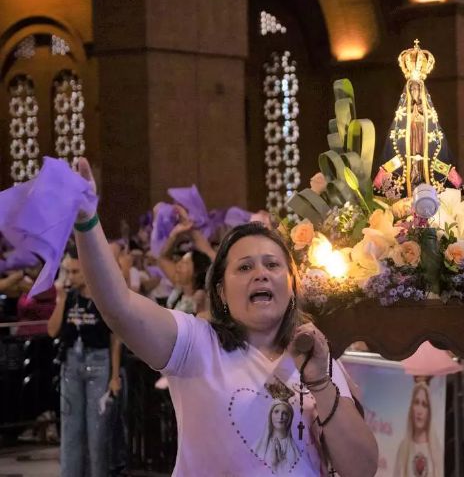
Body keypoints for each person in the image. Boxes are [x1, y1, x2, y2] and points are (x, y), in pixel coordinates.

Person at [70, 158, 377, 476]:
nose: (261, 274)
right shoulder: (196, 345)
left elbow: (362, 469)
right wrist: (87, 221)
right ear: (220, 291)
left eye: (272, 265)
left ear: (292, 284)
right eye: (245, 267)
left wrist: (320, 382)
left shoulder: (318, 357)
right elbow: (119, 307)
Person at [47, 249, 122, 477]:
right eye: (67, 271)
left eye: (75, 271)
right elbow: (52, 331)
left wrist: (115, 376)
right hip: (71, 364)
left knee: (97, 434)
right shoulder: (68, 297)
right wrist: (60, 299)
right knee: (71, 431)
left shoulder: (103, 296)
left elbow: (115, 338)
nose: (71, 277)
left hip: (99, 365)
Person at [393, 380, 442, 477]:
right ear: (411, 408)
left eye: (424, 405)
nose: (419, 410)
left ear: (429, 412)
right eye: (416, 403)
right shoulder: (403, 448)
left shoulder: (436, 450)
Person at [253, 399, 302, 472]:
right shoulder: (259, 445)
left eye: (285, 413)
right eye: (276, 412)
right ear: (270, 415)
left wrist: (281, 461)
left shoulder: (293, 449)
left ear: (289, 418)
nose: (280, 417)